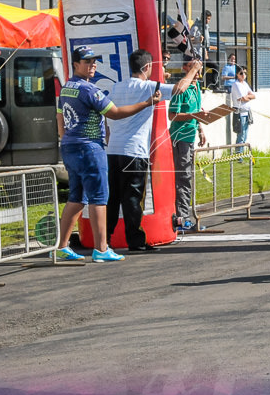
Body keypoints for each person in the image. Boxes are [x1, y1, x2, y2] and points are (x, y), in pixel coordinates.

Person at [52, 46, 161, 263]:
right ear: (75, 64)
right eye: (87, 62)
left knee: (76, 197)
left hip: (70, 147)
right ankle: (101, 249)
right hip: (91, 148)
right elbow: (116, 113)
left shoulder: (67, 88)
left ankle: (62, 246)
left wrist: (67, 139)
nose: (92, 65)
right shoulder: (89, 90)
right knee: (99, 198)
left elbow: (59, 120)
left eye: (94, 61)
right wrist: (148, 103)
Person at [106, 49, 201, 252]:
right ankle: (135, 240)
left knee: (112, 197)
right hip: (134, 150)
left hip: (113, 150)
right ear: (147, 67)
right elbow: (179, 89)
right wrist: (193, 70)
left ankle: (104, 237)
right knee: (133, 196)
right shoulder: (149, 87)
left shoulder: (116, 87)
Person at [168, 54, 207, 232]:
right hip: (179, 138)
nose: (198, 72)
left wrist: (201, 130)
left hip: (190, 137)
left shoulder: (197, 86)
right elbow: (172, 115)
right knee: (183, 178)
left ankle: (185, 217)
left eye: (199, 68)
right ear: (185, 68)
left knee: (188, 178)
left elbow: (197, 110)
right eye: (194, 68)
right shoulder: (180, 89)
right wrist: (193, 116)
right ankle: (182, 219)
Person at [229, 66, 255, 153]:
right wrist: (247, 97)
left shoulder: (245, 84)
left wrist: (247, 97)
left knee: (245, 135)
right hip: (240, 113)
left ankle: (241, 153)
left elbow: (253, 95)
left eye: (245, 73)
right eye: (241, 73)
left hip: (247, 112)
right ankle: (238, 154)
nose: (243, 75)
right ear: (237, 74)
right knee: (241, 135)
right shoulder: (236, 84)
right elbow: (243, 98)